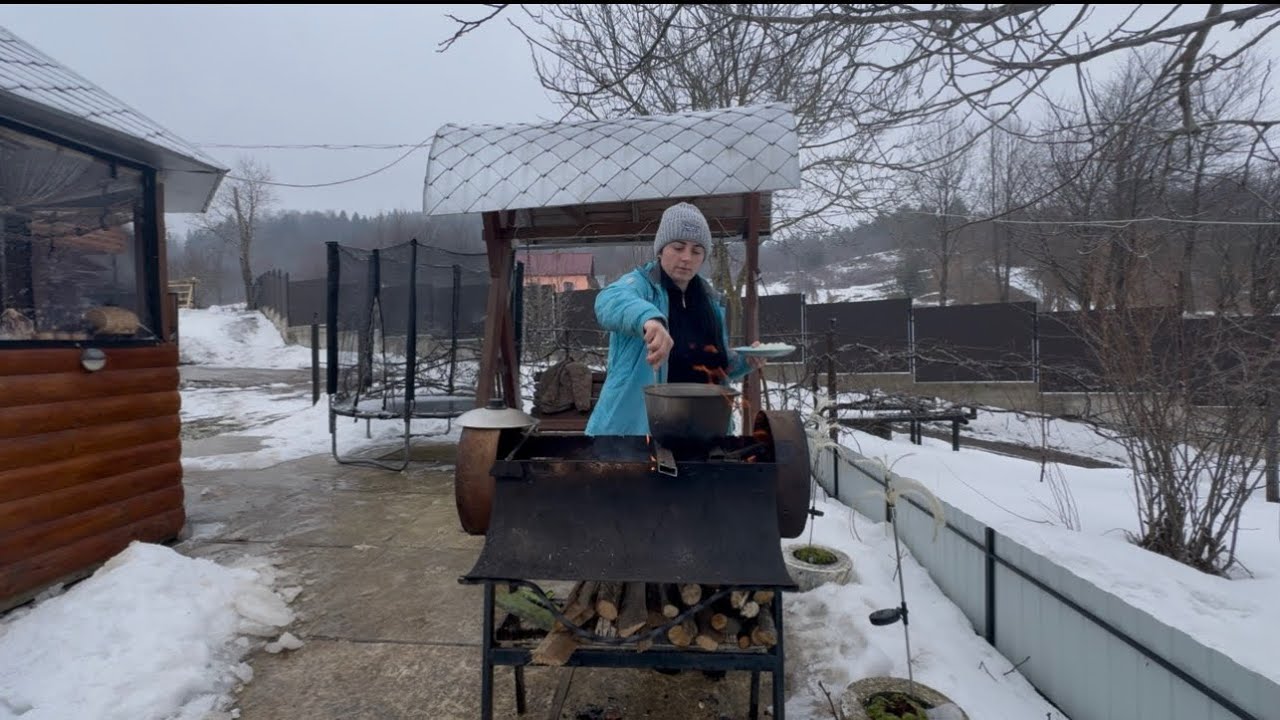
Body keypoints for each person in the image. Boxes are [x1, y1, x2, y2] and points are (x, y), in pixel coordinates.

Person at [585, 201, 766, 437]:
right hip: (636, 436)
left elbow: (710, 365)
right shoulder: (641, 285)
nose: (686, 258)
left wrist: (745, 361)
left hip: (702, 431)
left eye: (696, 251)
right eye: (678, 247)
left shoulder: (710, 302)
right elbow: (609, 301)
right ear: (661, 249)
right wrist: (649, 320)